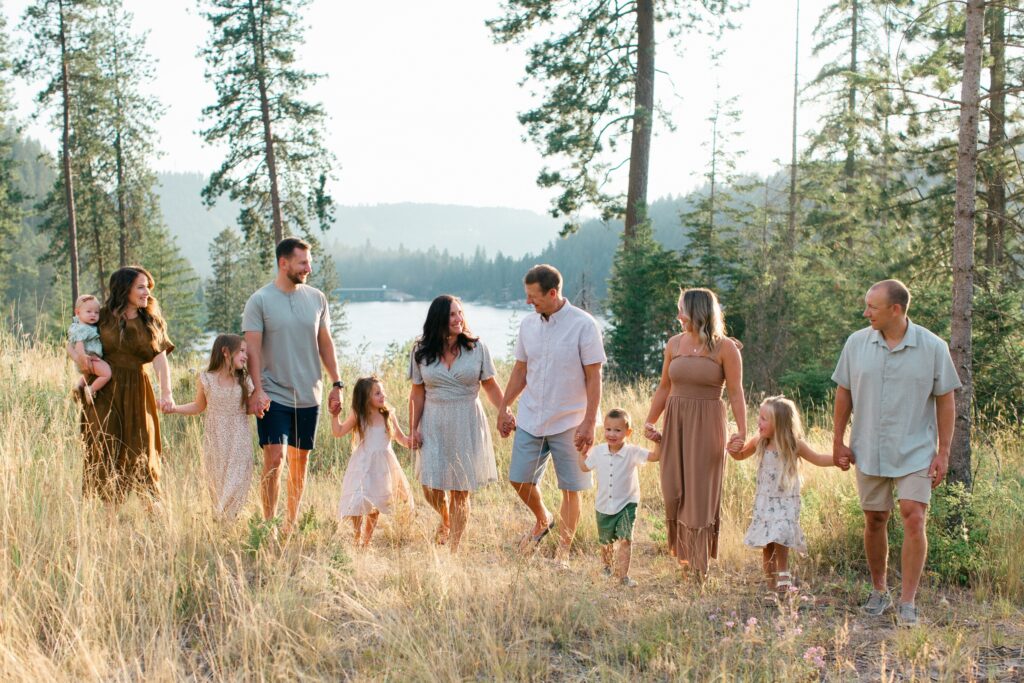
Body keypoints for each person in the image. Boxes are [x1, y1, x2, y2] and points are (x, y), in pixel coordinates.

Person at [831, 279, 960, 627]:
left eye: (872, 307)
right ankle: (879, 591)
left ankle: (907, 602)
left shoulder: (933, 347)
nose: (865, 312)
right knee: (875, 519)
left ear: (896, 309)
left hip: (916, 449)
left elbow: (946, 400)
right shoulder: (856, 344)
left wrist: (944, 452)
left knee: (913, 516)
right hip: (868, 446)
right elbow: (844, 393)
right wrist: (838, 441)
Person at [498, 264, 606, 561]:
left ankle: (563, 554)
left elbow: (594, 376)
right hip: (531, 417)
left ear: (553, 293)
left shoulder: (584, 325)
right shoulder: (527, 325)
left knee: (571, 489)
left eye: (533, 296)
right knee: (519, 479)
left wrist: (589, 422)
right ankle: (543, 518)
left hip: (571, 420)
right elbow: (520, 370)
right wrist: (504, 406)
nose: (528, 301)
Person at [242, 237, 344, 537]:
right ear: (283, 263)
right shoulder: (259, 301)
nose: (308, 268)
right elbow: (252, 349)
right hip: (273, 393)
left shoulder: (317, 299)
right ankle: (269, 525)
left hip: (309, 393)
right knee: (275, 457)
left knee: (300, 461)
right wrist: (257, 389)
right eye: (302, 263)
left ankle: (290, 524)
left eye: (309, 263)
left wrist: (337, 383)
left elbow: (325, 344)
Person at [643, 288, 746, 579]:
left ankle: (698, 567)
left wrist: (742, 430)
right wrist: (651, 420)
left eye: (683, 311)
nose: (679, 316)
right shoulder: (674, 344)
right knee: (672, 488)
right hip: (675, 421)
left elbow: (736, 393)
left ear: (699, 313)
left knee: (700, 494)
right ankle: (684, 555)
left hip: (707, 423)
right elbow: (664, 387)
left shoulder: (726, 348)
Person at [68, 266, 175, 506]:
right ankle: (109, 520)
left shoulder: (152, 321)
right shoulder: (102, 316)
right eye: (141, 287)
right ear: (125, 289)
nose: (146, 292)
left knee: (143, 452)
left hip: (138, 391)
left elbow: (160, 360)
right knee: (105, 452)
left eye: (148, 287)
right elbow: (73, 340)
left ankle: (156, 515)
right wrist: (81, 359)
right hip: (104, 390)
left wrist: (167, 393)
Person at [408, 295, 504, 552]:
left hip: (466, 420)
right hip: (433, 421)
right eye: (452, 314)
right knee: (430, 485)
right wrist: (413, 429)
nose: (459, 318)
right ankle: (445, 518)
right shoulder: (420, 351)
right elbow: (417, 392)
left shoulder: (477, 348)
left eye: (460, 313)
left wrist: (504, 412)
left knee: (461, 489)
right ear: (439, 318)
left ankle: (454, 548)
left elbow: (490, 385)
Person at [730, 396, 833, 596]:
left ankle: (783, 575)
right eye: (759, 417)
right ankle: (771, 586)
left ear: (779, 422)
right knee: (767, 544)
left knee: (781, 534)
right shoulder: (760, 441)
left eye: (764, 419)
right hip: (764, 501)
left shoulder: (794, 444)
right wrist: (732, 449)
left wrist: (839, 459)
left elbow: (819, 458)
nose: (758, 422)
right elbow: (740, 455)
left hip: (786, 500)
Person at [165, 334, 255, 520]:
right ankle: (220, 520)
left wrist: (260, 407)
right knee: (217, 480)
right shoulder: (206, 379)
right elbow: (198, 406)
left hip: (239, 438)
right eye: (241, 351)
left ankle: (226, 517)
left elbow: (251, 407)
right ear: (225, 352)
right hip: (215, 439)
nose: (246, 356)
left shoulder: (245, 381)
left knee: (237, 479)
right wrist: (175, 409)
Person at [577, 408, 660, 587]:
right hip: (603, 505)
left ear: (627, 432)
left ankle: (624, 577)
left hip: (627, 504)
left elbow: (655, 456)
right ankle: (607, 568)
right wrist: (582, 453)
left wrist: (657, 441)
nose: (612, 434)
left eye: (617, 430)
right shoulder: (598, 451)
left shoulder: (632, 452)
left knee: (626, 539)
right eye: (608, 429)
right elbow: (584, 467)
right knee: (606, 542)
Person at [332, 377, 414, 548]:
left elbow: (400, 438)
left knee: (376, 503)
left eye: (382, 392)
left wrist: (411, 441)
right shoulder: (359, 415)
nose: (383, 395)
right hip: (363, 464)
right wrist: (335, 415)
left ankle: (366, 541)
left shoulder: (388, 415)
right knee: (358, 500)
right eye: (377, 393)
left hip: (383, 467)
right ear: (366, 397)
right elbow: (338, 431)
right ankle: (356, 537)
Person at [68, 294, 112, 404]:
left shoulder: (80, 326)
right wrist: (83, 358)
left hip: (87, 359)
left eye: (96, 312)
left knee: (87, 375)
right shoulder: (82, 329)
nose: (93, 314)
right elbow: (79, 346)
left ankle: (79, 386)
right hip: (89, 359)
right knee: (106, 373)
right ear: (78, 313)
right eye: (89, 312)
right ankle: (91, 389)